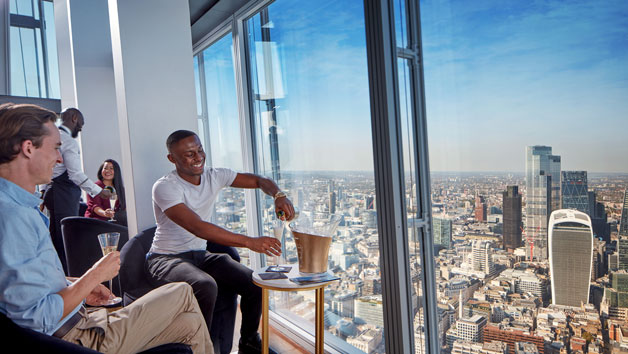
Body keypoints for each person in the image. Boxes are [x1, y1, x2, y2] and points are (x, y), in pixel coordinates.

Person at [0, 103, 213, 354]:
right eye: (56, 148)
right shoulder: (13, 217)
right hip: (76, 339)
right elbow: (37, 318)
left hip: (81, 323)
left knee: (189, 322)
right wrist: (94, 276)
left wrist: (80, 286)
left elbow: (30, 283)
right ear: (28, 148)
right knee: (182, 292)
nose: (59, 158)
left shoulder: (16, 207)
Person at [146, 130, 295, 354]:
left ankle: (248, 342)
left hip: (199, 255)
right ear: (172, 159)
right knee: (205, 285)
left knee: (254, 283)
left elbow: (258, 180)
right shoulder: (165, 187)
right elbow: (197, 226)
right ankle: (202, 349)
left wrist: (278, 195)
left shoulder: (214, 176)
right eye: (189, 154)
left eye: (199, 150)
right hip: (166, 258)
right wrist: (249, 242)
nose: (198, 158)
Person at [42, 108, 112, 273]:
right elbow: (74, 174)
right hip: (63, 194)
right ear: (74, 118)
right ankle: (69, 279)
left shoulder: (49, 137)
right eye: (81, 123)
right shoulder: (67, 140)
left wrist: (43, 192)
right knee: (65, 240)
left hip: (53, 192)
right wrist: (99, 191)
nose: (81, 128)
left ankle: (63, 277)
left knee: (57, 238)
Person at [84, 159, 127, 226]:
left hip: (114, 222)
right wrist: (105, 213)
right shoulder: (94, 187)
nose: (107, 171)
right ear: (101, 170)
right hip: (96, 222)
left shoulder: (120, 189)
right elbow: (95, 207)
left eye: (111, 168)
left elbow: (125, 207)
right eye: (105, 168)